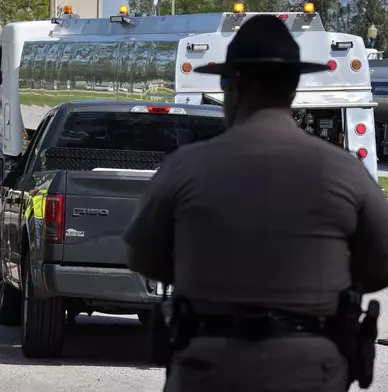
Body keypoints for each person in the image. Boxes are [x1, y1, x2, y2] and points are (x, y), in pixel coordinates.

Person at [122, 15, 388, 392]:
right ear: (293, 88)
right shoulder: (344, 171)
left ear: (233, 87)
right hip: (310, 370)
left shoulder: (185, 168)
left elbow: (142, 257)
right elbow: (381, 263)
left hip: (209, 368)